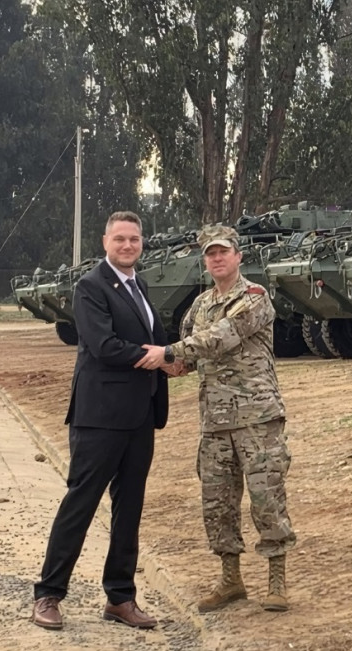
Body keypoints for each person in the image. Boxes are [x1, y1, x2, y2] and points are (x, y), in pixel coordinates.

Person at [134, 224, 296, 613]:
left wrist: (167, 352)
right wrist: (162, 364)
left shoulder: (254, 298)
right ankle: (231, 580)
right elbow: (188, 357)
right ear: (204, 261)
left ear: (238, 256)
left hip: (257, 418)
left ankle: (277, 581)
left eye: (223, 251)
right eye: (210, 253)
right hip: (215, 421)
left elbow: (220, 337)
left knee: (267, 499)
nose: (217, 258)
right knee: (217, 504)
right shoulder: (200, 305)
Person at [32, 211, 170, 631]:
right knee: (81, 504)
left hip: (139, 416)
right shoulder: (90, 287)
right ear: (105, 242)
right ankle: (48, 595)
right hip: (100, 418)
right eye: (120, 239)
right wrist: (154, 358)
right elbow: (103, 344)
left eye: (134, 239)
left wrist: (172, 357)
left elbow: (156, 338)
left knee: (129, 509)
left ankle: (120, 598)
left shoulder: (139, 284)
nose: (128, 246)